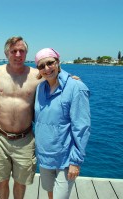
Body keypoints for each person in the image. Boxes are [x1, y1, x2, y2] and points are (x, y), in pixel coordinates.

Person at [0, 36, 41, 199]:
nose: (18, 55)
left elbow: (56, 79)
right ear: (6, 53)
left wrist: (70, 79)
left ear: (26, 53)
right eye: (13, 51)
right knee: (1, 181)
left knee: (21, 181)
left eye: (22, 51)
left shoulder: (37, 75)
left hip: (25, 139)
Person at [34, 48, 91, 199]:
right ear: (38, 70)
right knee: (50, 194)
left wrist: (76, 161)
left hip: (65, 159)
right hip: (45, 157)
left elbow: (82, 127)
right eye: (41, 66)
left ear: (58, 62)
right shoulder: (40, 88)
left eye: (50, 63)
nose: (47, 68)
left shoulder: (76, 87)